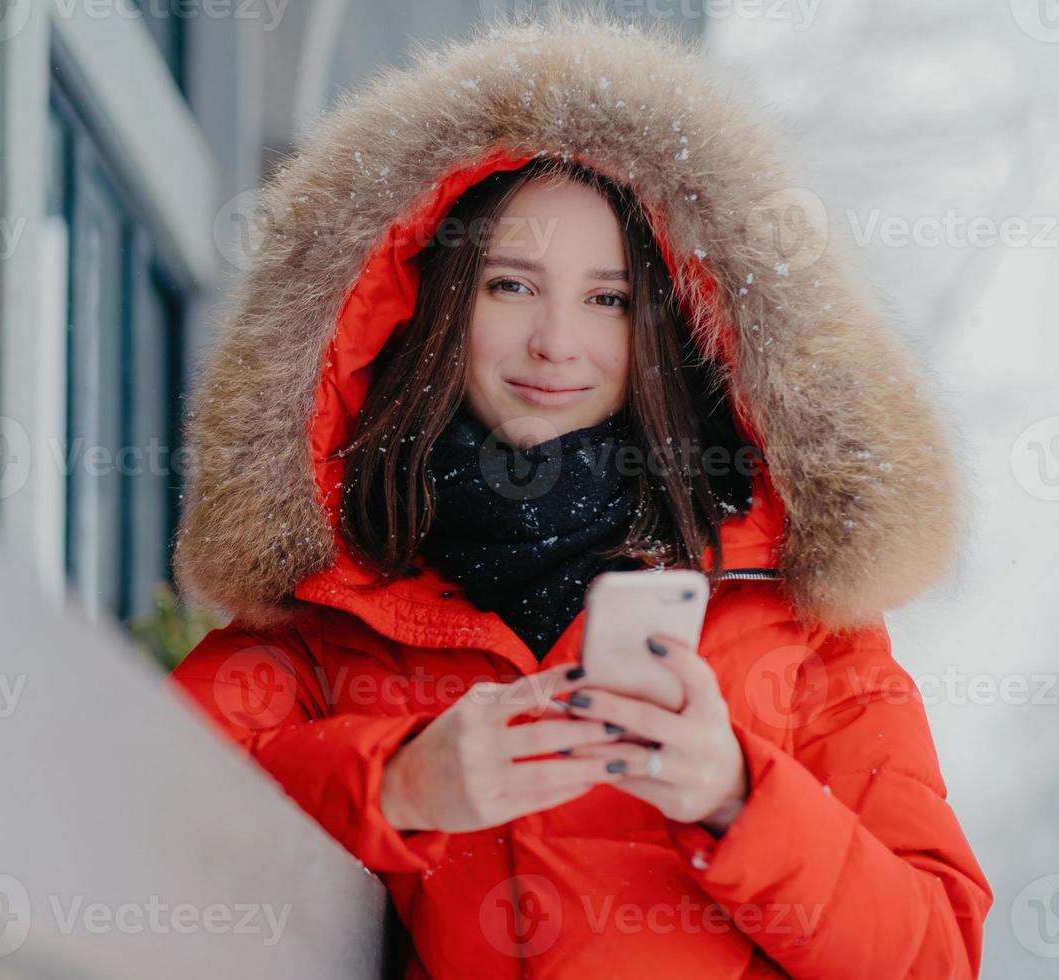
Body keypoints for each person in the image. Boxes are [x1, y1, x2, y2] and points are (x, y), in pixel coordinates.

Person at [166, 12, 992, 978]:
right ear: (431, 300)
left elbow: (934, 955)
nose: (558, 342)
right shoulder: (335, 612)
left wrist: (737, 794)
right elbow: (153, 803)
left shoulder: (803, 627)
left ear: (674, 324)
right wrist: (395, 785)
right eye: (511, 286)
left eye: (608, 299)